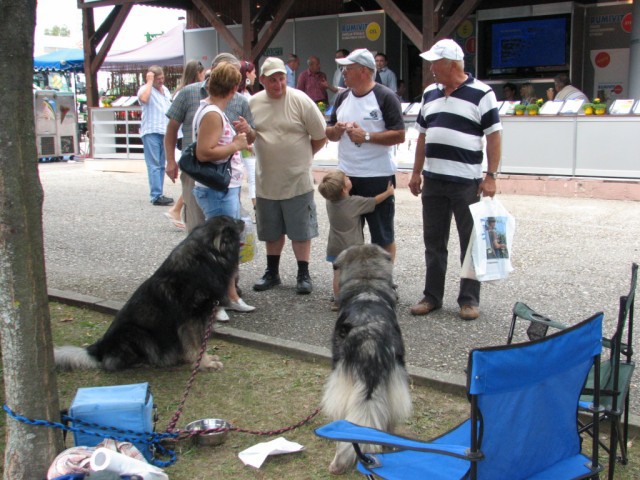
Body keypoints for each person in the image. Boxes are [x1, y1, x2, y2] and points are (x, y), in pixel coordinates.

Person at [408, 39, 502, 321]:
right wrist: (415, 172)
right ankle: (432, 296)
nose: (431, 68)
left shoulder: (482, 93)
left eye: (435, 63)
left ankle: (469, 299)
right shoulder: (429, 93)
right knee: (433, 242)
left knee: (470, 242)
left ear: (452, 64)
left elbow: (494, 136)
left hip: (466, 182)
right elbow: (422, 136)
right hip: (434, 180)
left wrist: (491, 175)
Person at [249, 57, 327, 294]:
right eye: (272, 80)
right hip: (266, 180)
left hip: (297, 180)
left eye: (281, 79)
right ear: (262, 80)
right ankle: (272, 272)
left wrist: (303, 158)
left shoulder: (300, 99)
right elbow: (249, 137)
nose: (278, 84)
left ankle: (303, 273)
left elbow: (320, 134)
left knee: (301, 230)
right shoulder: (252, 103)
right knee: (271, 230)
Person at [325, 48, 405, 262]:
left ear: (363, 71)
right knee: (348, 235)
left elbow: (399, 135)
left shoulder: (386, 97)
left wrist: (367, 136)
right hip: (348, 177)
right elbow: (330, 133)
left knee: (382, 235)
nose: (343, 72)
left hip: (377, 176)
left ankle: (384, 283)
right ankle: (350, 282)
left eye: (347, 68)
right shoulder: (341, 96)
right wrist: (337, 130)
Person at [164, 53, 255, 233]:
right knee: (206, 234)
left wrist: (247, 130)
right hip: (200, 174)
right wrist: (170, 160)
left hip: (224, 178)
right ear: (212, 71)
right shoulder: (193, 97)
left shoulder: (238, 101)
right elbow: (200, 149)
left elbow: (251, 137)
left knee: (218, 240)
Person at [192, 62, 255, 321]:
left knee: (227, 247)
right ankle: (215, 301)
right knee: (218, 250)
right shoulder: (212, 114)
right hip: (218, 189)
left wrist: (235, 139)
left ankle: (229, 296)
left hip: (224, 188)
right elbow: (204, 152)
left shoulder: (212, 111)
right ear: (233, 89)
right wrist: (236, 144)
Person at [318, 170, 394, 310]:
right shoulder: (354, 203)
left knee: (338, 274)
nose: (348, 178)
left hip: (334, 246)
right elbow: (374, 201)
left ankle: (338, 301)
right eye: (346, 179)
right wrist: (389, 193)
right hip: (352, 247)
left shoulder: (330, 202)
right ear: (344, 189)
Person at [164, 60, 205, 229]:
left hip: (186, 141)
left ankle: (177, 208)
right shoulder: (186, 93)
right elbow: (172, 126)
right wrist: (170, 160)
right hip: (187, 142)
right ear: (198, 73)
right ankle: (177, 209)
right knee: (191, 187)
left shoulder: (181, 91)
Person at [137, 65, 173, 206]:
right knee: (154, 164)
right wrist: (150, 82)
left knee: (161, 164)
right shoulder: (145, 89)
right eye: (158, 79)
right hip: (151, 130)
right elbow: (144, 99)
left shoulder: (166, 91)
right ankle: (156, 195)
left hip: (164, 130)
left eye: (162, 78)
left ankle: (160, 193)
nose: (161, 81)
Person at [238, 60, 258, 212]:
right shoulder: (243, 97)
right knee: (252, 174)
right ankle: (257, 209)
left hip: (244, 140)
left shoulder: (245, 95)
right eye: (253, 72)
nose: (255, 75)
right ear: (246, 74)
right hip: (244, 141)